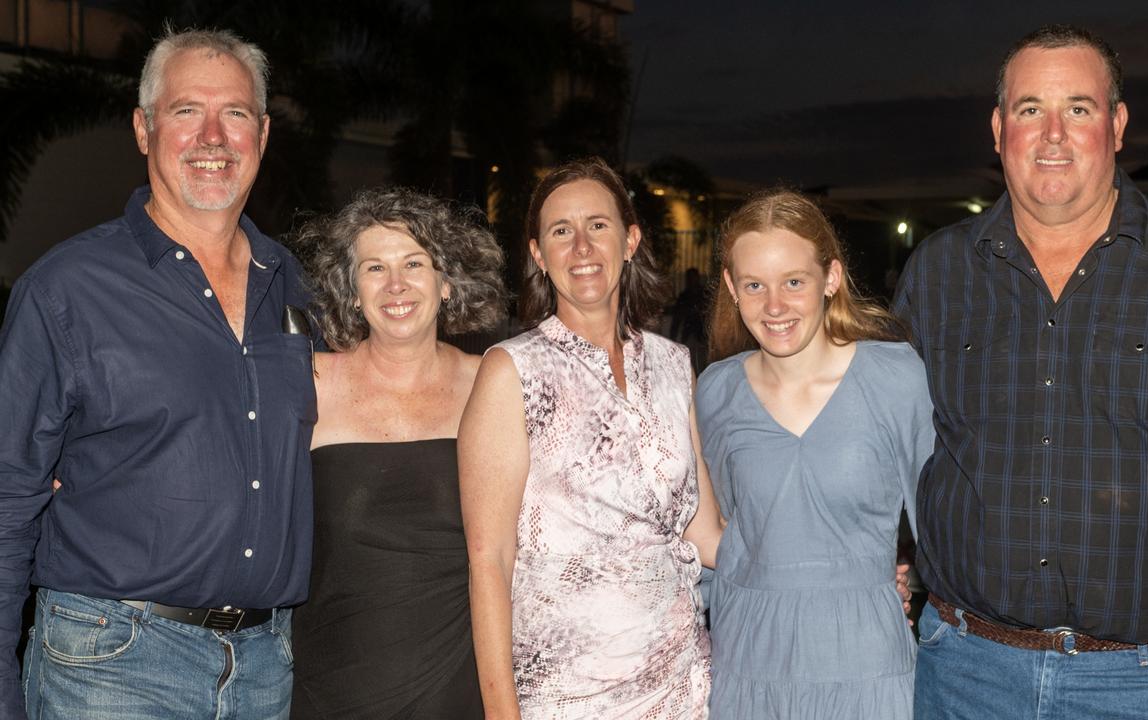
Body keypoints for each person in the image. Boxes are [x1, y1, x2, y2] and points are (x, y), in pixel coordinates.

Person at [894, 24, 1148, 720]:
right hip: (962, 676)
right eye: (1029, 109)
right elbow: (891, 448)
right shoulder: (939, 271)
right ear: (997, 127)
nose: (1052, 135)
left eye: (1078, 108)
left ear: (1117, 124)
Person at [0, 27, 315, 720]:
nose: (212, 136)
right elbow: (7, 499)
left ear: (261, 133)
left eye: (234, 113)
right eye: (184, 112)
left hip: (266, 669)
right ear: (143, 130)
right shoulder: (66, 290)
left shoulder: (293, 287)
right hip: (111, 666)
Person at [459, 157, 719, 719]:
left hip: (684, 687)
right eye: (561, 231)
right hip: (568, 694)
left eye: (597, 225)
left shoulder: (676, 365)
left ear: (629, 240)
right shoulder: (512, 371)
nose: (581, 247)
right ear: (538, 254)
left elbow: (707, 535)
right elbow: (489, 561)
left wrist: (843, 563)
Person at [697, 191, 933, 718]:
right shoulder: (715, 392)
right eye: (755, 285)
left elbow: (937, 521)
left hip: (864, 662)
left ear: (831, 278)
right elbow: (716, 532)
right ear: (732, 289)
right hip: (748, 660)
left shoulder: (894, 376)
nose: (774, 306)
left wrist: (907, 582)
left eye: (794, 282)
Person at [288, 188, 505, 718]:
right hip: (331, 690)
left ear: (446, 281)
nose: (396, 285)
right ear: (352, 290)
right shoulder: (308, 384)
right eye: (374, 268)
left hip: (459, 691)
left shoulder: (495, 385)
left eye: (415, 263)